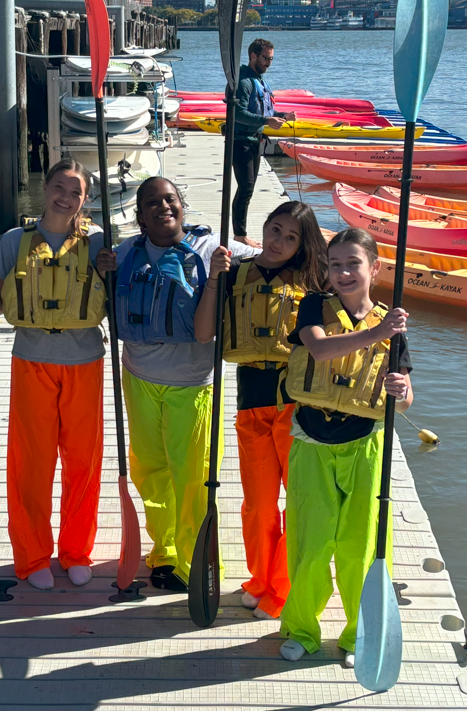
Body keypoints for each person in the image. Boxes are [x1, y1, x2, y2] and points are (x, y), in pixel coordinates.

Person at [0, 158, 114, 591]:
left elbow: (113, 299)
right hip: (32, 362)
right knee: (32, 463)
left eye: (75, 192)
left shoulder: (99, 242)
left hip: (85, 363)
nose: (65, 197)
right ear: (46, 188)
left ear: (85, 199)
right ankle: (32, 556)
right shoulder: (14, 240)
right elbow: (1, 304)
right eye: (59, 187)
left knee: (83, 462)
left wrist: (112, 269)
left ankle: (76, 551)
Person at [113, 176, 260, 591]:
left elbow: (271, 259)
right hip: (139, 378)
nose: (163, 207)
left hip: (194, 385)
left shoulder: (213, 249)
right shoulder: (126, 251)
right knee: (151, 470)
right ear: (139, 215)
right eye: (152, 203)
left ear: (182, 205)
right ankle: (165, 552)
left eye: (170, 199)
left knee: (193, 475)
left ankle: (198, 559)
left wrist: (338, 266)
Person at [276, 228, 413, 666]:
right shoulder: (315, 305)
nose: (343, 272)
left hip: (365, 445)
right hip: (312, 442)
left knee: (360, 546)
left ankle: (358, 636)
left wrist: (401, 387)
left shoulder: (393, 322)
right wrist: (380, 334)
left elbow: (407, 395)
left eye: (353, 263)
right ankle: (302, 628)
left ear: (374, 268)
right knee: (311, 541)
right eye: (335, 265)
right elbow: (316, 349)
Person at [195, 201, 328, 620]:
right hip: (251, 401)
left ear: (302, 246)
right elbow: (203, 333)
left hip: (298, 406)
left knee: (299, 500)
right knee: (258, 504)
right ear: (263, 228)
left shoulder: (315, 283)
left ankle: (283, 587)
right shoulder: (234, 272)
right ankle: (260, 578)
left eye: (291, 238)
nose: (279, 242)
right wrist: (215, 277)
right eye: (275, 230)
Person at [231, 38, 297, 246]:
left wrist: (282, 115)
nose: (268, 63)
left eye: (271, 59)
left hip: (254, 141)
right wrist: (266, 121)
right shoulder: (243, 82)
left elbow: (264, 110)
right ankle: (239, 235)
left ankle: (240, 233)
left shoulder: (259, 80)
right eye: (266, 58)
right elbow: (237, 113)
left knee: (248, 187)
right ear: (253, 56)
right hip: (240, 141)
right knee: (246, 187)